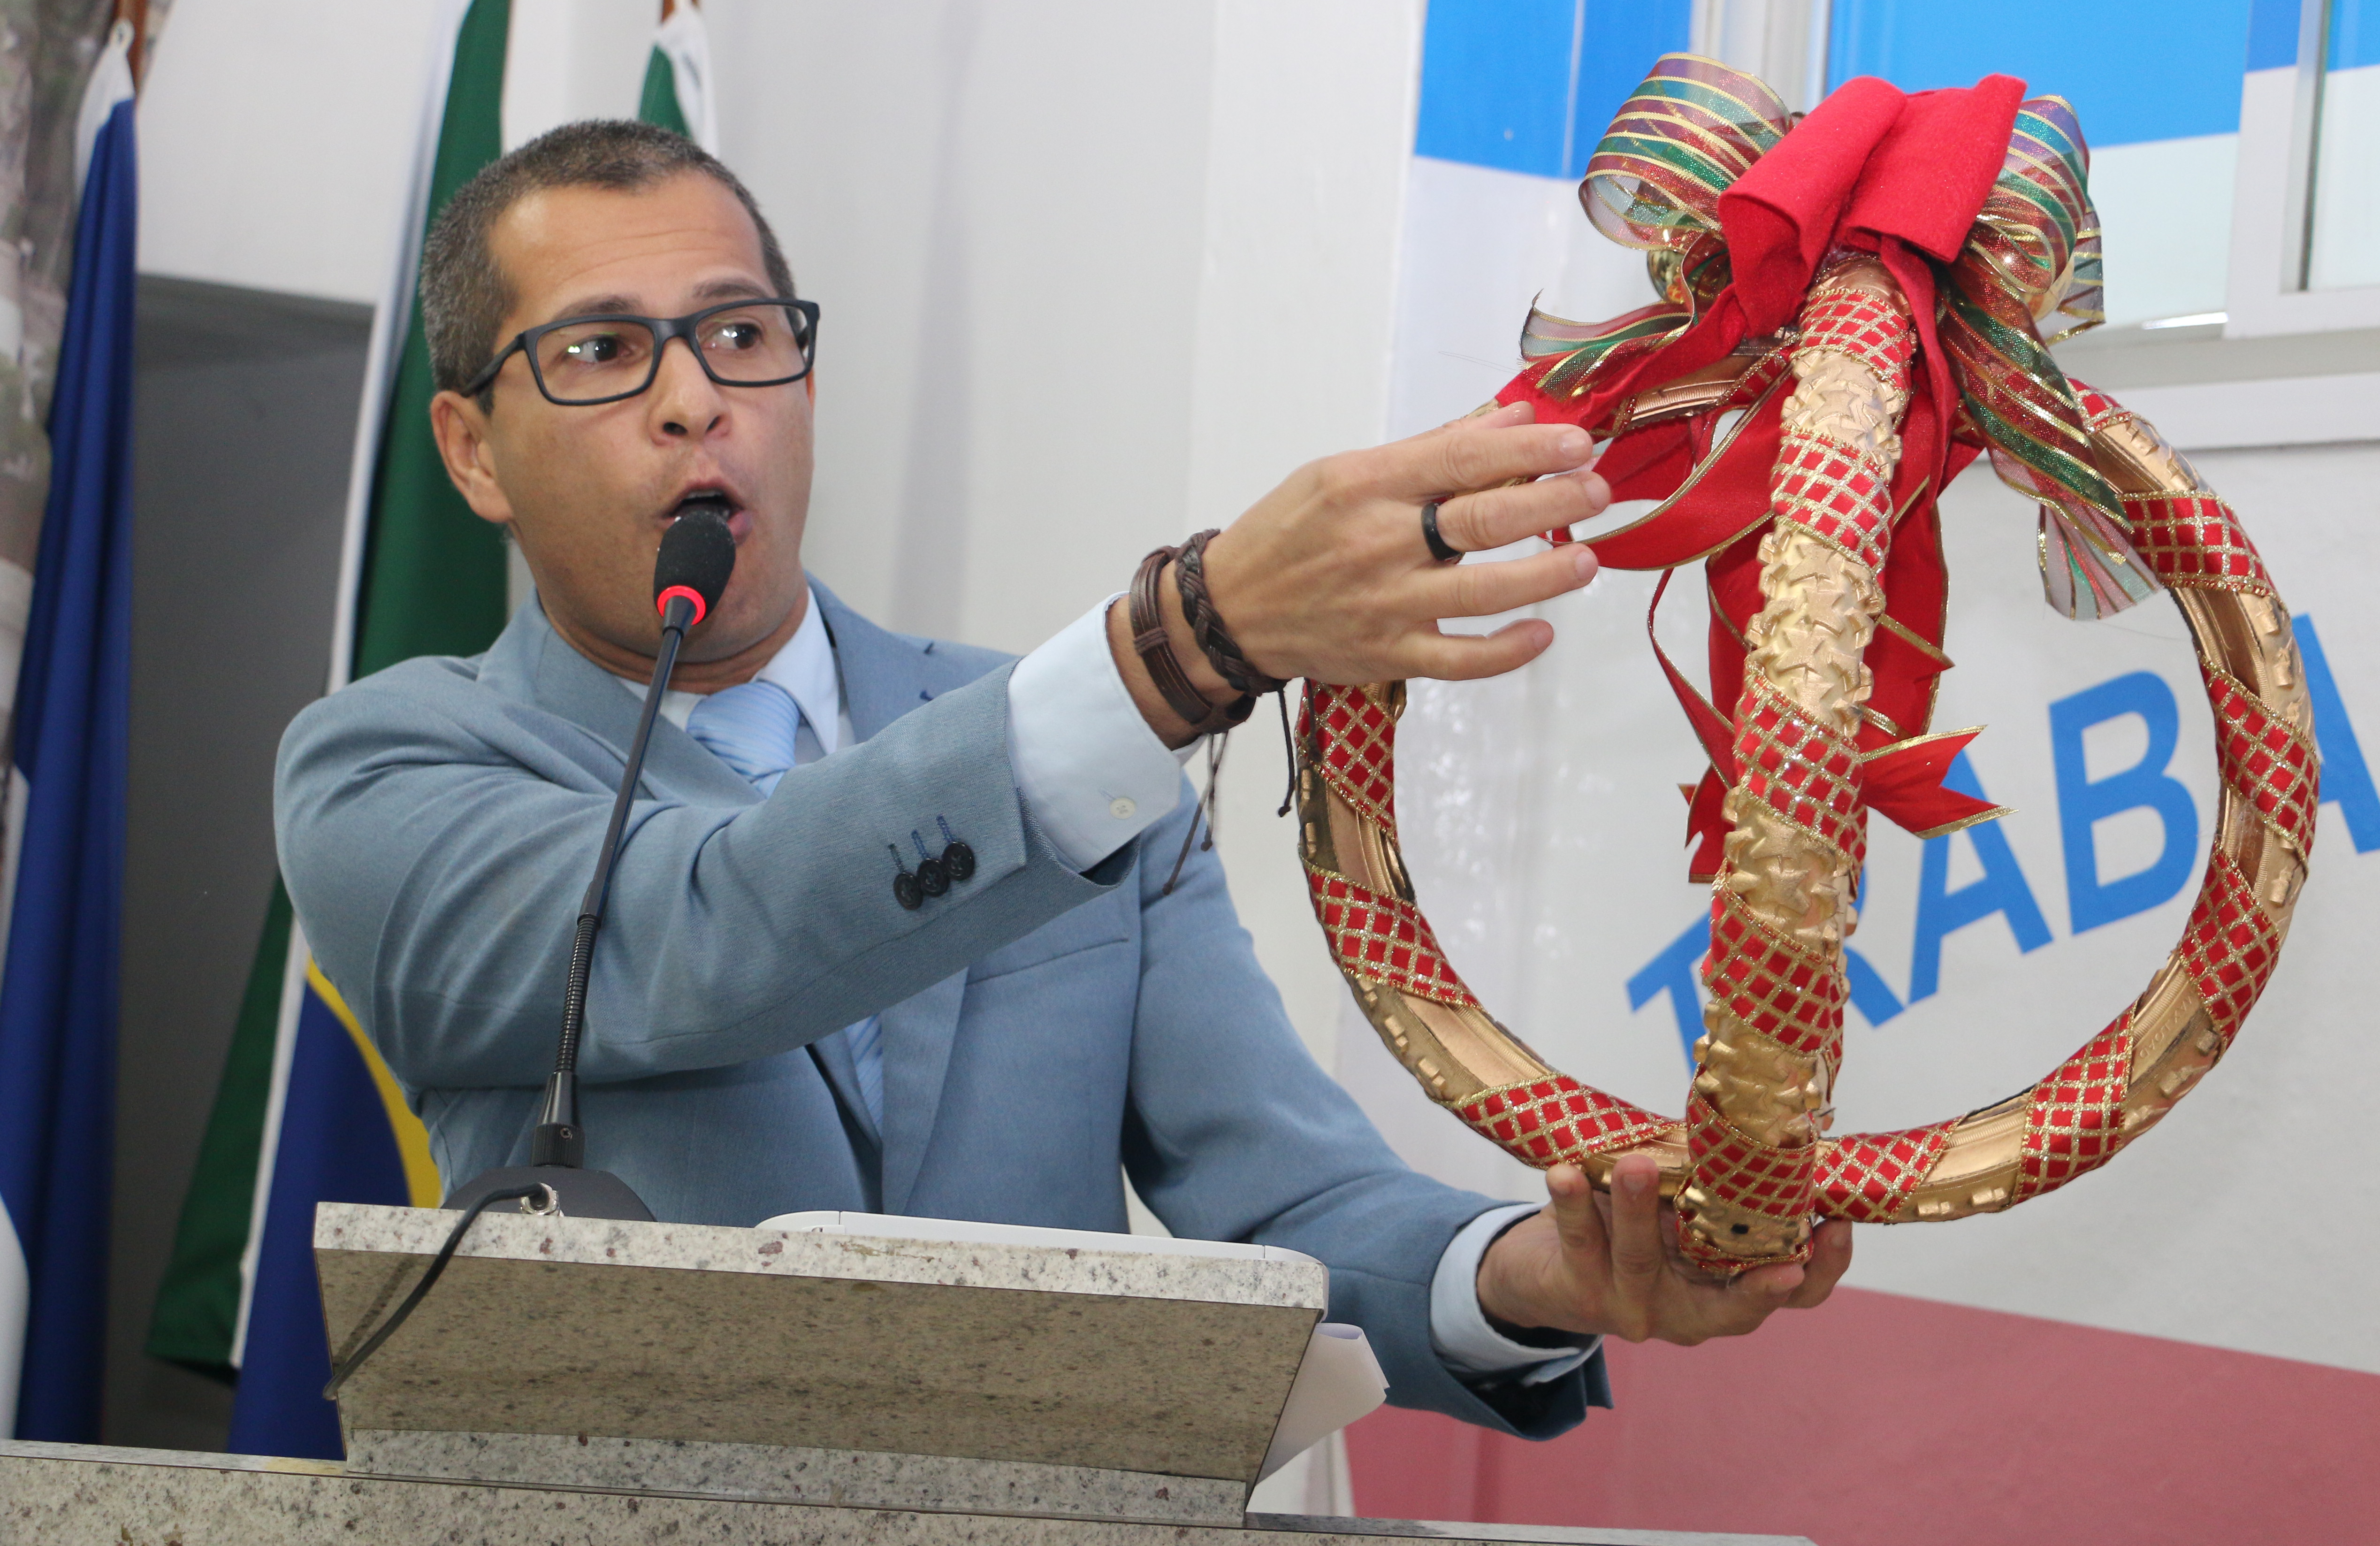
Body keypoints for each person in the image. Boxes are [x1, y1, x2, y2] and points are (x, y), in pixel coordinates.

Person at [275, 120, 1850, 1441]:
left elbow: (1287, 1206)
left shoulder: (1070, 751)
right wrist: (1185, 642)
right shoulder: (388, 767)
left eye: (741, 334)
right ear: (471, 450)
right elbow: (698, 930)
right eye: (604, 352)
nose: (697, 400)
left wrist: (1542, 1274)